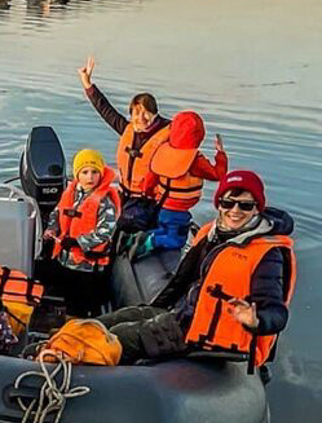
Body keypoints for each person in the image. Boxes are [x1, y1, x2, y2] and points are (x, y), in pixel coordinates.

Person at [98, 170, 294, 370]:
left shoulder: (268, 256)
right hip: (185, 314)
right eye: (228, 203)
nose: (235, 210)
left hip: (206, 336)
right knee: (115, 319)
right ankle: (69, 333)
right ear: (219, 204)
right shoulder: (212, 233)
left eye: (245, 205)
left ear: (257, 209)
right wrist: (160, 306)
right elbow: (183, 279)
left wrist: (256, 320)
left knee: (120, 337)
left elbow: (276, 312)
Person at [78, 56, 170, 230]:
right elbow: (106, 110)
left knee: (120, 225)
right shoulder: (128, 129)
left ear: (155, 114)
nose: (141, 118)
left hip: (147, 202)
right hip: (124, 195)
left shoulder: (166, 136)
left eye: (146, 113)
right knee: (93, 215)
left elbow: (187, 135)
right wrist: (87, 83)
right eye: (136, 113)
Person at [40, 149, 122, 315]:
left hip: (89, 266)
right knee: (68, 294)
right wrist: (51, 229)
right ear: (77, 174)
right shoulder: (70, 193)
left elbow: (105, 232)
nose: (90, 177)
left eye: (94, 172)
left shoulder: (105, 202)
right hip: (66, 259)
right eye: (85, 172)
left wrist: (78, 242)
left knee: (85, 302)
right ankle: (68, 320)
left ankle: (82, 324)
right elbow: (58, 213)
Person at [140, 111, 228, 252]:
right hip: (179, 209)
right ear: (199, 135)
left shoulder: (163, 151)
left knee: (162, 228)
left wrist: (148, 193)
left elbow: (151, 178)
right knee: (177, 240)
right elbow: (218, 174)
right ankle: (150, 242)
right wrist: (220, 154)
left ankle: (144, 240)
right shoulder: (195, 160)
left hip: (161, 205)